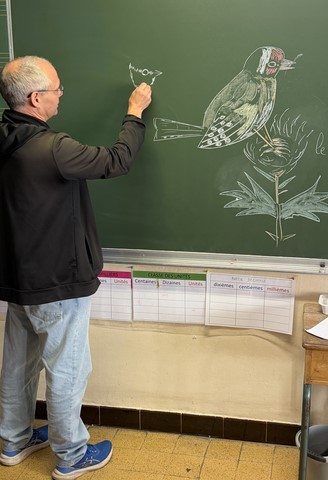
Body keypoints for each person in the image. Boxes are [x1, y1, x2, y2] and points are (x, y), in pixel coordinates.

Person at [0, 56, 152, 479]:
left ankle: (13, 440)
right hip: (58, 280)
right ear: (36, 98)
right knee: (67, 368)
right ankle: (71, 454)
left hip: (17, 278)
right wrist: (134, 113)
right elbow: (116, 160)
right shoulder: (53, 148)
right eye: (57, 89)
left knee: (18, 364)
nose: (61, 94)